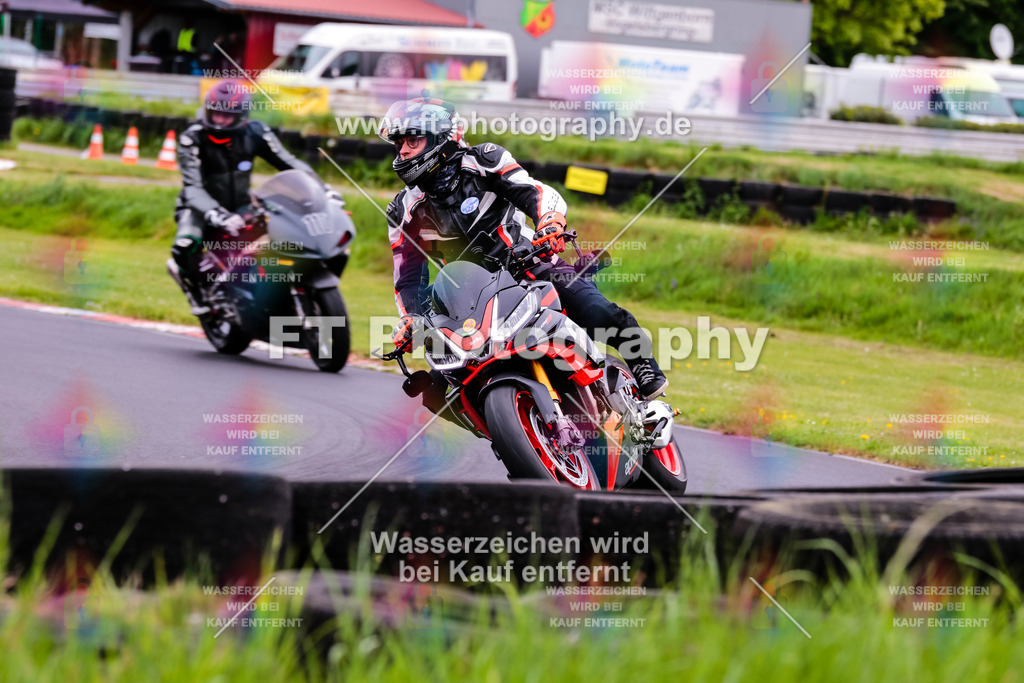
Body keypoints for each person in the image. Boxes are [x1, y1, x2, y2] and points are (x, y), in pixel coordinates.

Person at [381, 97, 668, 409]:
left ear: (441, 139)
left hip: (530, 265)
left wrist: (549, 222)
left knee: (595, 310)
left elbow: (534, 192)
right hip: (469, 301)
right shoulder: (402, 210)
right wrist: (410, 318)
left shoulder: (483, 160)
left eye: (413, 140)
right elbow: (408, 280)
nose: (404, 151)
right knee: (439, 391)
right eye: (399, 144)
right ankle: (513, 427)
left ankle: (643, 367)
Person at [171, 79, 341, 314]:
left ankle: (266, 292)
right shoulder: (192, 139)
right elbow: (193, 188)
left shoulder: (256, 132)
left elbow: (289, 163)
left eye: (226, 116)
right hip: (199, 208)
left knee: (279, 234)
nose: (219, 121)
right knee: (185, 243)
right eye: (215, 113)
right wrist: (216, 214)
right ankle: (196, 292)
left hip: (241, 204)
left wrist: (321, 189)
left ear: (242, 116)